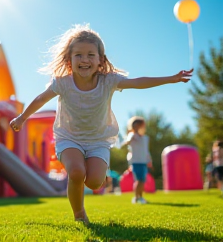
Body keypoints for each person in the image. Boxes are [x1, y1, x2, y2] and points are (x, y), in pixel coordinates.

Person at [10, 24, 192, 224]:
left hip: (98, 140)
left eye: (90, 55)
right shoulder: (62, 83)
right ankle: (79, 215)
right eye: (78, 55)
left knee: (95, 181)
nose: (84, 59)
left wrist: (171, 79)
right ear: (69, 60)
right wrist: (22, 118)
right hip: (69, 138)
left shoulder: (108, 81)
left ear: (100, 60)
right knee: (77, 172)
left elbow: (137, 82)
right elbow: (40, 99)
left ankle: (90, 182)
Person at [122, 116, 152, 204]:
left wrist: (149, 160)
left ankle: (141, 197)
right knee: (139, 180)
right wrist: (132, 135)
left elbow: (146, 151)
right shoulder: (133, 136)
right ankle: (136, 197)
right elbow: (127, 141)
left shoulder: (145, 138)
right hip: (136, 162)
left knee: (142, 181)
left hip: (144, 162)